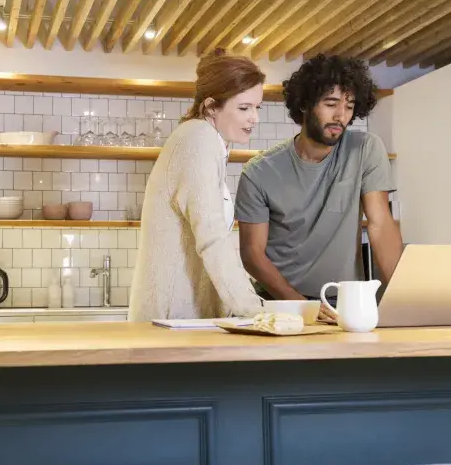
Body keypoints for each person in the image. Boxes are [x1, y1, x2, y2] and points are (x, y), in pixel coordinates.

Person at [234, 54, 403, 312]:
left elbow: (380, 224)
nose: (340, 116)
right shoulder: (258, 172)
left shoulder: (365, 149)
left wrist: (406, 297)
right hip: (279, 303)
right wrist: (302, 307)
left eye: (349, 106)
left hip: (344, 301)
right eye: (331, 103)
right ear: (305, 104)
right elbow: (252, 254)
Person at [129, 51, 265, 322]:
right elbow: (212, 236)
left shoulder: (206, 141)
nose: (254, 118)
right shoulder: (198, 141)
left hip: (184, 320)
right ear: (212, 106)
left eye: (257, 107)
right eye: (244, 108)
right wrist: (256, 314)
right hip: (172, 321)